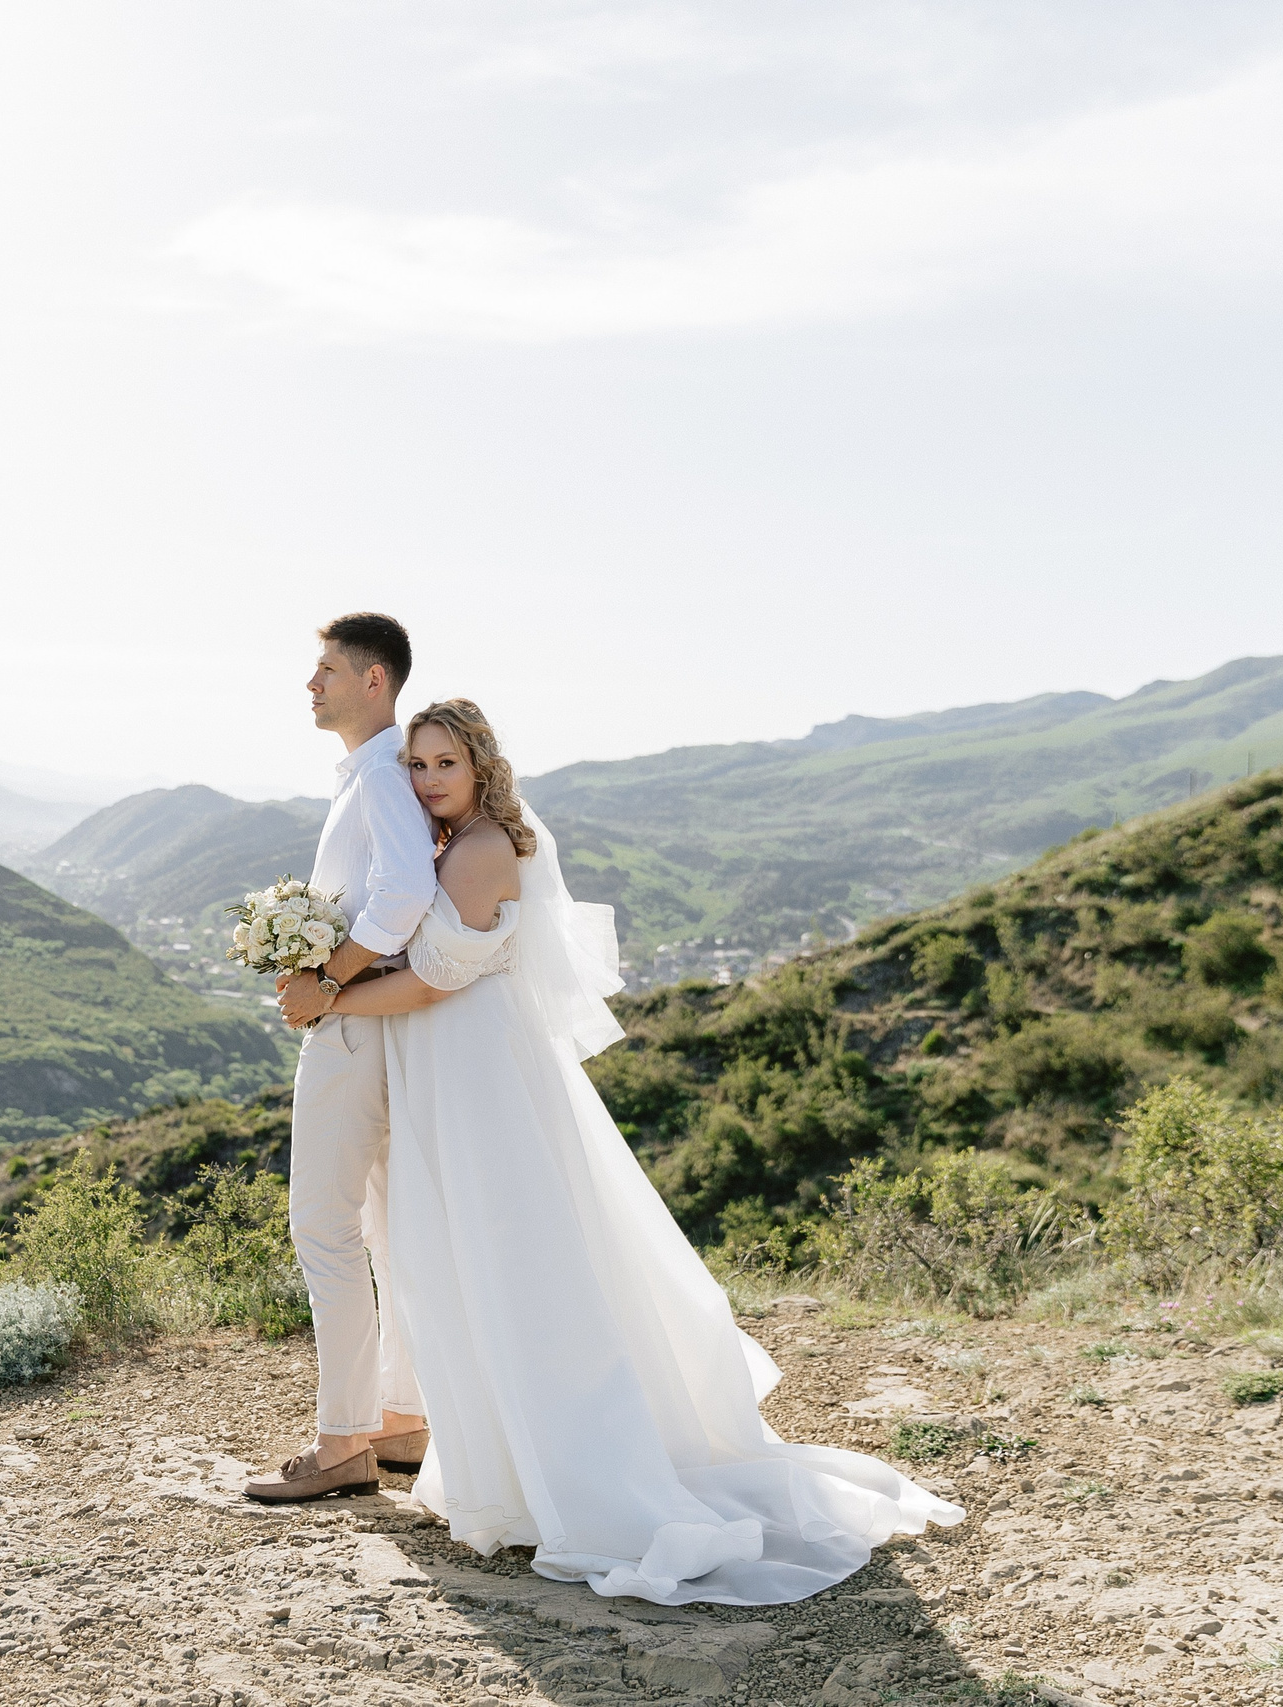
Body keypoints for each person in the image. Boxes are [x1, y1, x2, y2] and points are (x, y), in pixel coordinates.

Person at [312, 699, 964, 1602]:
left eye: (442, 765)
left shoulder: (481, 849)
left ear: (479, 766)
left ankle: (575, 1474)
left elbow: (431, 982)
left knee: (513, 1261)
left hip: (477, 1080)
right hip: (449, 1074)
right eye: (415, 766)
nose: (425, 781)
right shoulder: (448, 842)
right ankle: (501, 1463)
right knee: (465, 1263)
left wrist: (328, 997)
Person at [244, 614, 440, 1504]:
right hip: (384, 1032)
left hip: (354, 1030)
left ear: (375, 681)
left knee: (324, 1229)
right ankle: (399, 1417)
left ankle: (342, 1442)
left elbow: (403, 893)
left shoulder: (381, 779)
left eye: (325, 669)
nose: (309, 684)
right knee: (385, 1230)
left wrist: (328, 976)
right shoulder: (375, 774)